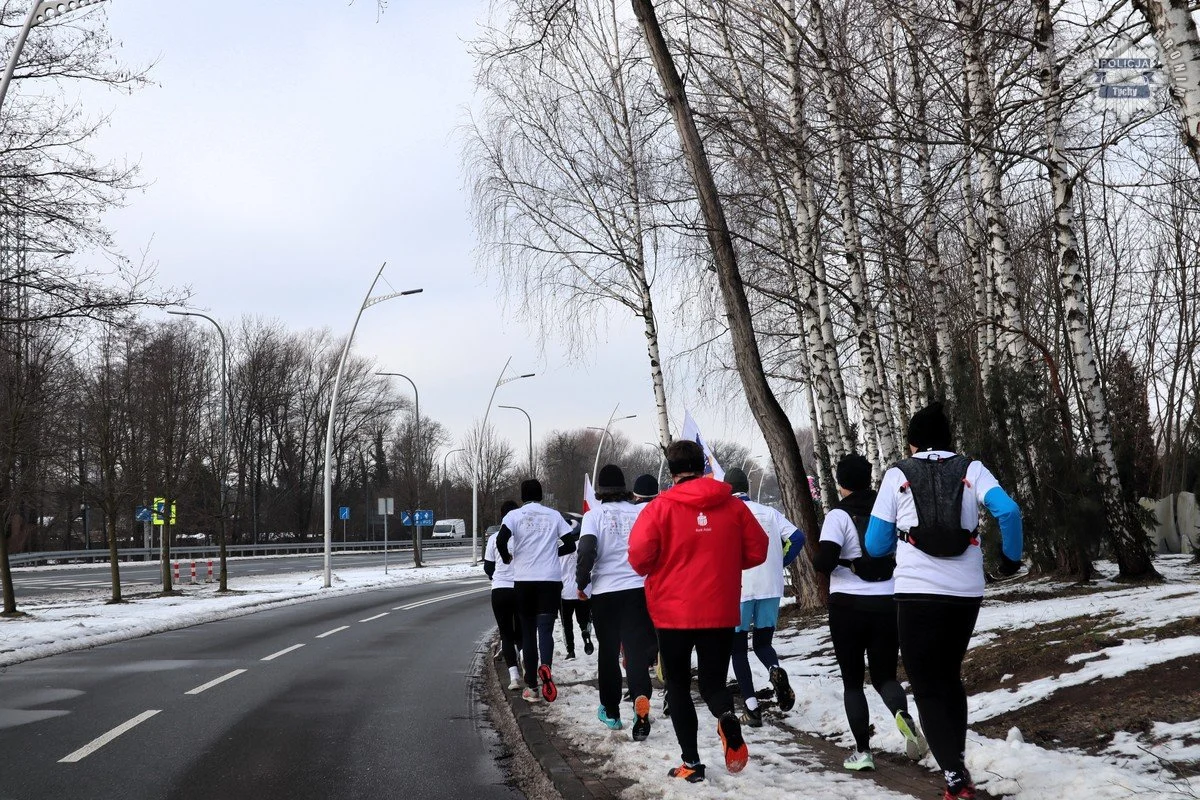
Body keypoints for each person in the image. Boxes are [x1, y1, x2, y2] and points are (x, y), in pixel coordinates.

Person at [865, 402, 1023, 800]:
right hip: (965, 592)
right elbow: (1008, 511)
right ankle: (957, 762)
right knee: (949, 676)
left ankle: (954, 777)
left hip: (916, 592)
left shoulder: (898, 473)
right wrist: (1010, 560)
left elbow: (875, 544)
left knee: (925, 686)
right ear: (949, 439)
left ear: (913, 443)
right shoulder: (972, 468)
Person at [628, 440, 768, 784]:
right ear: (703, 466)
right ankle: (726, 717)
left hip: (672, 613)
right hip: (719, 609)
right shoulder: (733, 506)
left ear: (672, 471)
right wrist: (725, 562)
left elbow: (639, 559)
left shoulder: (658, 509)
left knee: (677, 684)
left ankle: (691, 762)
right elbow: (758, 550)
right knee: (713, 682)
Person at [812, 454, 927, 771]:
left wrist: (828, 559)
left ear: (840, 483)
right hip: (887, 602)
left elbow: (825, 562)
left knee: (852, 682)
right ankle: (902, 714)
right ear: (869, 478)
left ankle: (863, 752)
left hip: (847, 606)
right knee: (885, 676)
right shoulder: (887, 511)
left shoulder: (837, 516)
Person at [576, 464, 656, 740]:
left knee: (608, 652)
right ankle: (640, 698)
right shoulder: (640, 513)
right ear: (624, 488)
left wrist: (582, 583)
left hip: (606, 593)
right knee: (635, 650)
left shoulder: (594, 515)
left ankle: (611, 712)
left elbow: (586, 549)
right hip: (637, 589)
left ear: (600, 490)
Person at [722, 467, 804, 728]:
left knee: (737, 649)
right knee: (762, 644)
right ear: (746, 487)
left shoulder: (726, 514)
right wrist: (781, 561)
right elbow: (798, 537)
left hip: (740, 589)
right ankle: (773, 670)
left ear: (726, 489)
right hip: (771, 586)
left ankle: (751, 707)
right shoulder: (769, 512)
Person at [498, 479, 577, 703]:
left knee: (528, 632)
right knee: (546, 630)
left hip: (524, 581)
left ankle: (532, 686)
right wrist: (552, 554)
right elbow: (570, 544)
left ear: (523, 496)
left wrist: (506, 557)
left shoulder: (514, 516)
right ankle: (547, 668)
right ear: (541, 495)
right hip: (550, 581)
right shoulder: (554, 515)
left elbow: (502, 540)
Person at [484, 500, 523, 690]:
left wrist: (497, 577)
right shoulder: (523, 537)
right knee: (522, 632)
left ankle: (514, 677)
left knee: (506, 634)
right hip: (521, 588)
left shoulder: (494, 538)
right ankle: (526, 662)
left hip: (500, 590)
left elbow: (488, 567)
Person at [559, 520, 593, 660]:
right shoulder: (584, 547)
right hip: (584, 589)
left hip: (565, 591)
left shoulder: (560, 549)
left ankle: (571, 650)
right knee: (584, 618)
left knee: (566, 623)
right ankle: (585, 631)